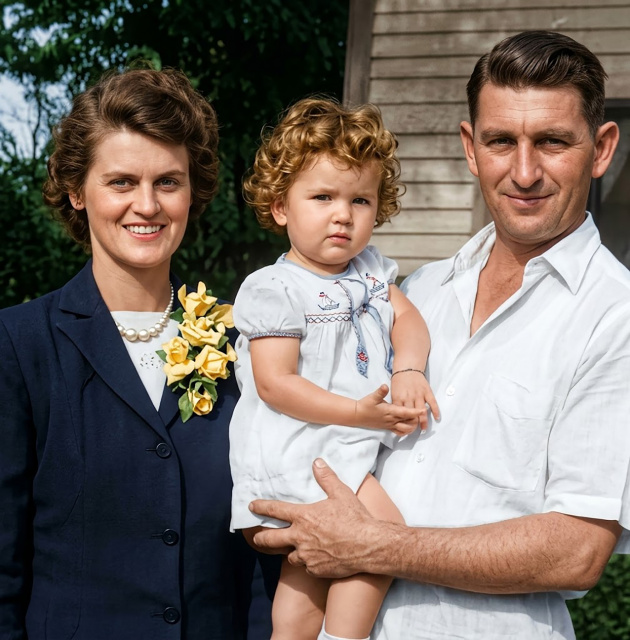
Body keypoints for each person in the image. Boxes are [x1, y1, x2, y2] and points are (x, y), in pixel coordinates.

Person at [248, 30, 630, 640]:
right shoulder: (420, 291)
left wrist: (374, 545)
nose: (524, 171)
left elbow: (576, 551)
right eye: (501, 141)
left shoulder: (614, 314)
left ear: (602, 148)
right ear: (471, 148)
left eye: (552, 142)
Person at [0, 67, 277, 640]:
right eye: (121, 182)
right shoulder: (18, 344)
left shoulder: (244, 341)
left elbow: (261, 545)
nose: (146, 205)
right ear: (77, 191)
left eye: (168, 182)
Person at [229, 97, 439, 640]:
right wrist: (358, 414)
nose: (343, 214)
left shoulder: (370, 273)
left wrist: (409, 370)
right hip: (300, 447)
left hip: (344, 443)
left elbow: (408, 320)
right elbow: (276, 384)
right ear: (281, 207)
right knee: (381, 537)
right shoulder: (275, 287)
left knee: (306, 576)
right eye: (322, 197)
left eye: (360, 200)